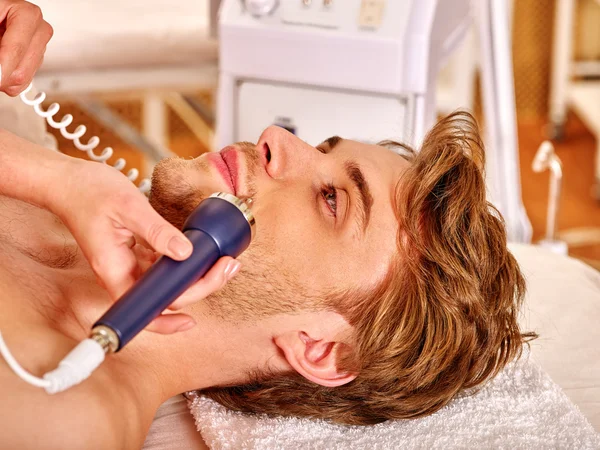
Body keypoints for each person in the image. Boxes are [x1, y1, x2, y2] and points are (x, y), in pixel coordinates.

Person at [0, 108, 534, 448]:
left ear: (323, 350)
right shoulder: (55, 184)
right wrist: (45, 174)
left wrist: (46, 175)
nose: (275, 137)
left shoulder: (68, 417)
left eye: (332, 199)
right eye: (323, 148)